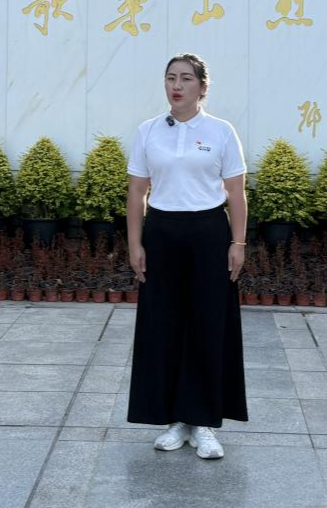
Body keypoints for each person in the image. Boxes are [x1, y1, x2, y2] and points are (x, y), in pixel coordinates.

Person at [125, 53, 248, 459]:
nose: (176, 86)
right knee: (164, 324)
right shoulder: (148, 131)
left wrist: (238, 244)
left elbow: (236, 194)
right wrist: (135, 244)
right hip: (162, 233)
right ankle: (176, 419)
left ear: (203, 86)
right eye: (170, 78)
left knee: (208, 324)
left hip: (209, 233)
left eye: (186, 79)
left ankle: (205, 422)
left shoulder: (221, 131)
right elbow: (137, 193)